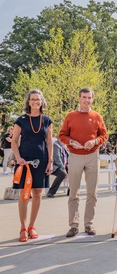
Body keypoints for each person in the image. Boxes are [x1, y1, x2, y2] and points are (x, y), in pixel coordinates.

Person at [59, 88, 108, 237]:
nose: (87, 100)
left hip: (93, 156)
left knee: (92, 192)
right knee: (73, 192)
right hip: (75, 156)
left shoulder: (97, 116)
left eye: (89, 98)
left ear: (92, 99)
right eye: (84, 97)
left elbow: (104, 135)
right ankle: (73, 225)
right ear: (79, 98)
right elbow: (62, 135)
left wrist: (94, 141)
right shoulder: (70, 116)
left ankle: (89, 224)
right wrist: (71, 142)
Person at [11, 89, 53, 242]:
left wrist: (50, 161)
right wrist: (18, 158)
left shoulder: (47, 120)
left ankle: (32, 226)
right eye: (33, 99)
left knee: (37, 192)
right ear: (28, 102)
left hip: (41, 160)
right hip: (24, 160)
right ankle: (22, 227)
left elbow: (49, 142)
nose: (35, 101)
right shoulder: (20, 120)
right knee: (24, 193)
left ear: (42, 102)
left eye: (38, 99)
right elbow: (14, 141)